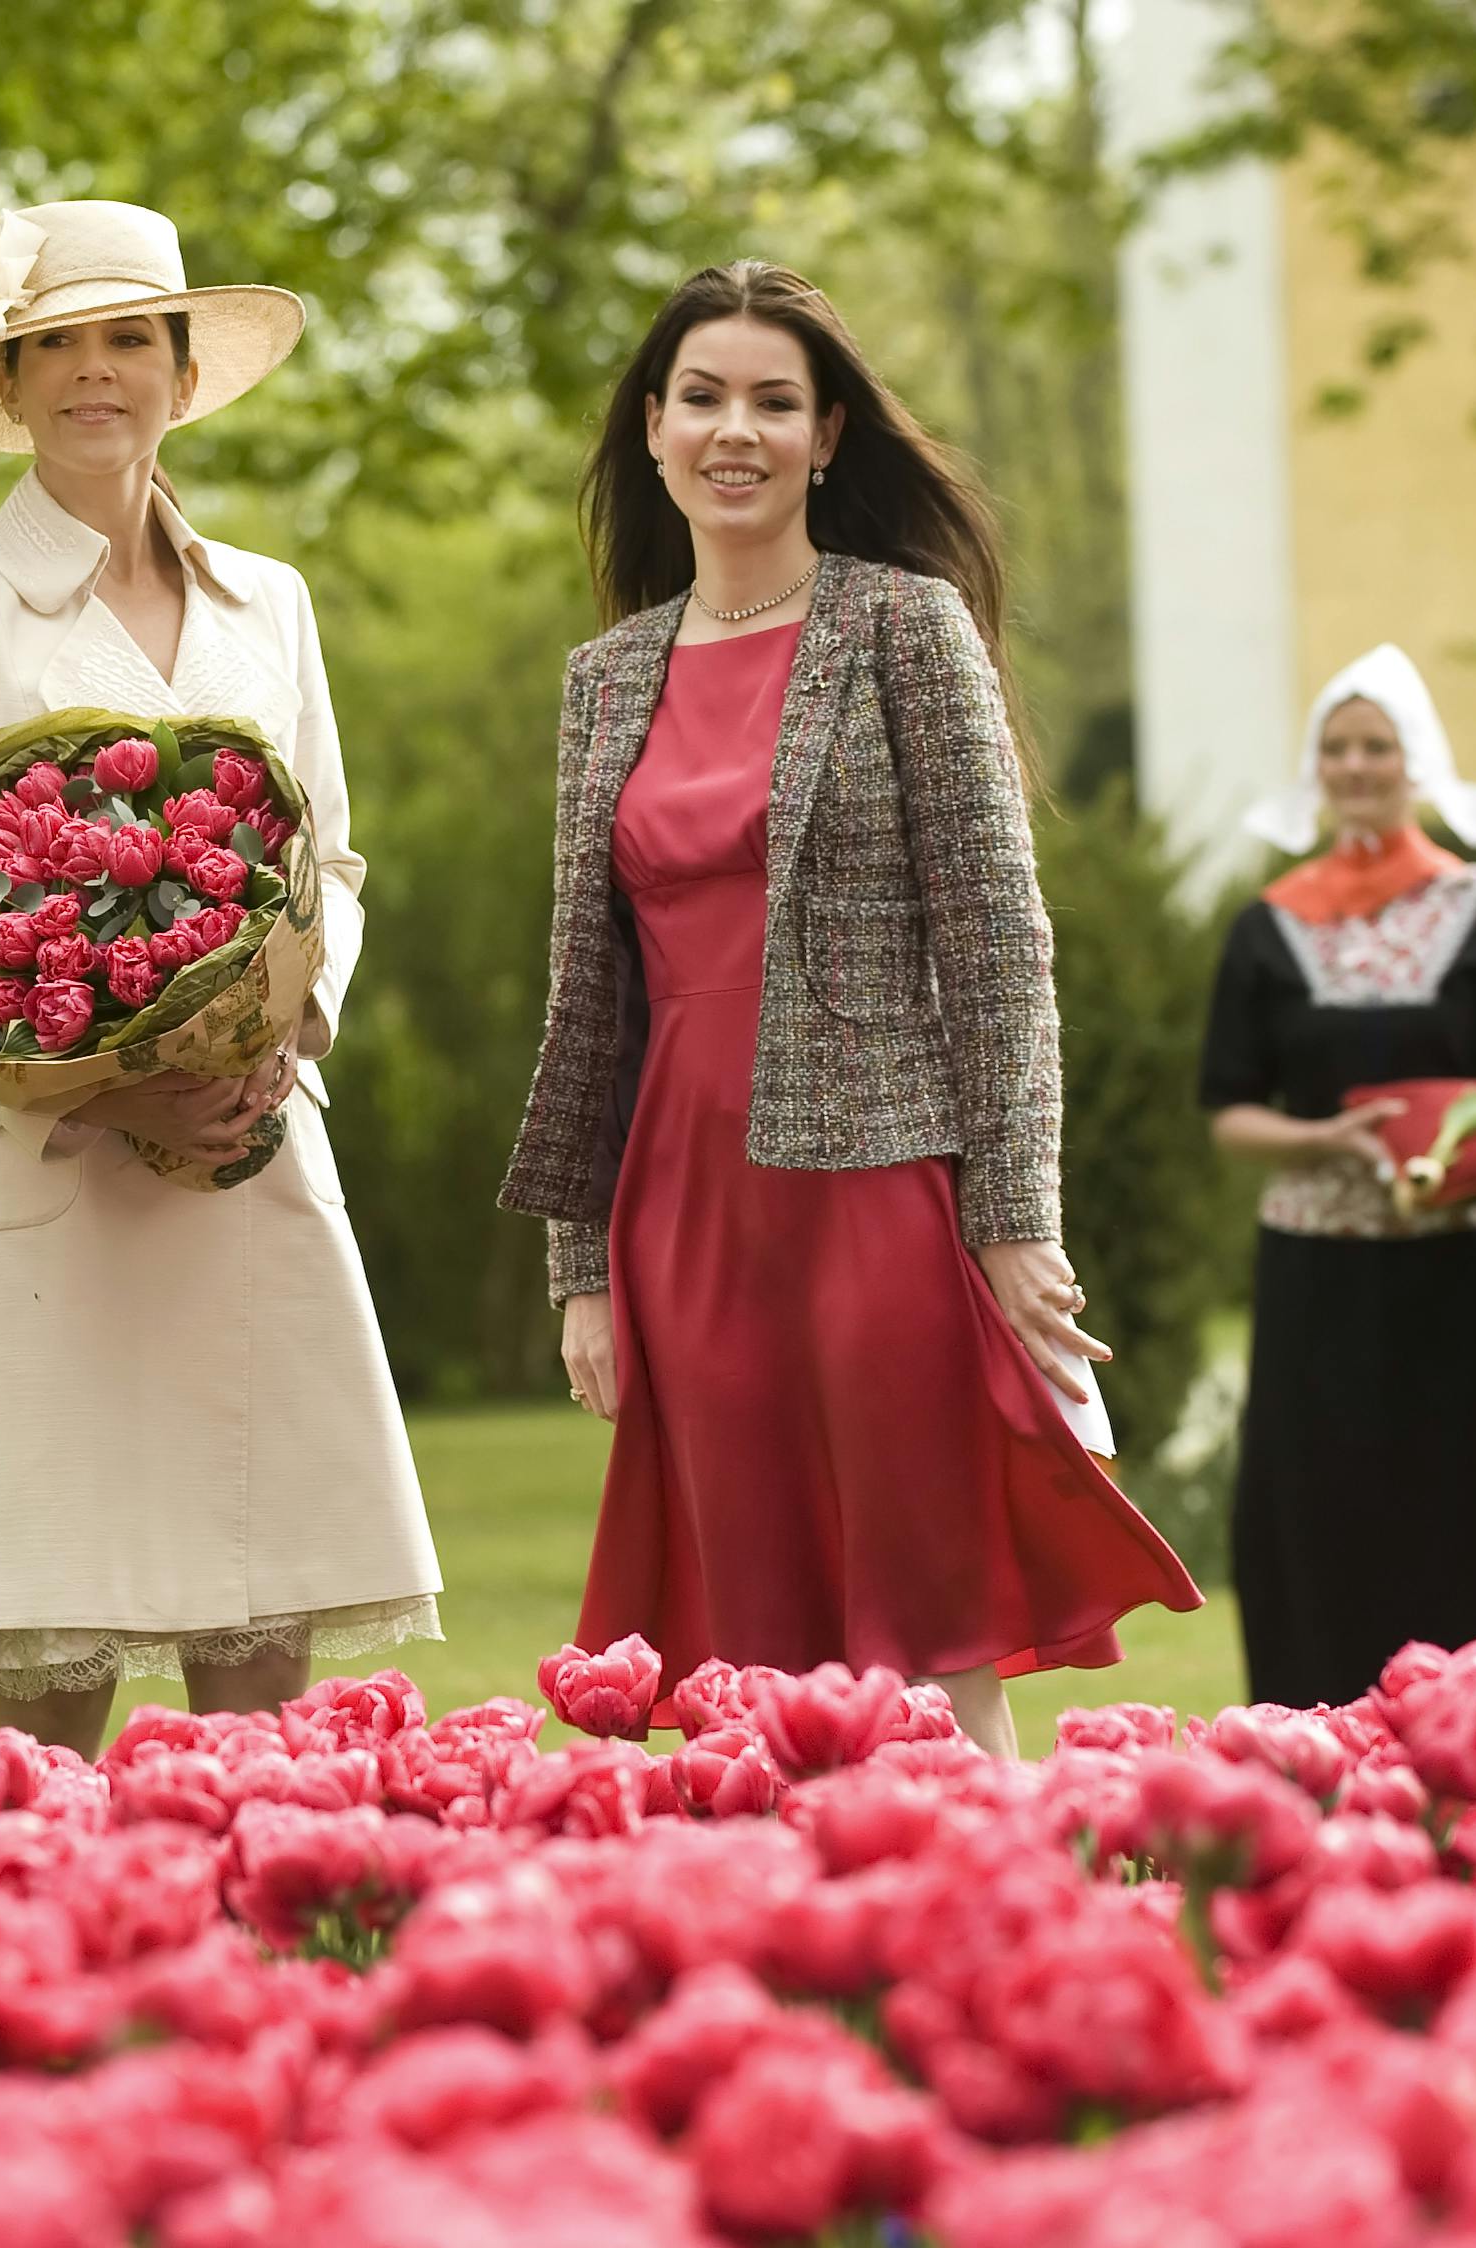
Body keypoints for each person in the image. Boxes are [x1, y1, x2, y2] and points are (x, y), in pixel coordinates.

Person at [498, 261, 1199, 1761]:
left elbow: (1001, 945)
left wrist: (1014, 1214)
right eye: (702, 398)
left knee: (924, 1610)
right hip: (674, 1205)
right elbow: (588, 996)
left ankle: (986, 1931)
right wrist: (580, 1267)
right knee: (739, 1641)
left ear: (826, 438)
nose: (732, 429)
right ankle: (778, 1960)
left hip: (875, 1179)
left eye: (772, 400)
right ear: (651, 428)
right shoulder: (603, 678)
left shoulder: (904, 626)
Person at [0, 201, 442, 1754]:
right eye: (58, 347)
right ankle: (24, 1979)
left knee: (263, 1647)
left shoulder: (274, 602)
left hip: (246, 1157)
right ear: (14, 380)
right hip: (49, 1169)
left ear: (182, 373)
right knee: (55, 1673)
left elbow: (336, 865)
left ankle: (264, 1974)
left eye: (129, 342)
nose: (95, 375)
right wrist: (118, 1071)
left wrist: (279, 1025)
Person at [1200, 643, 1476, 1710]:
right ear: (1314, 768)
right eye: (1335, 747)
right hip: (1315, 1272)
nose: (1355, 765)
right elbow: (1231, 1115)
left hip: (1460, 1273)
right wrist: (1325, 1143)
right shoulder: (1266, 928)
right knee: (1320, 1510)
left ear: (1416, 759)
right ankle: (1320, 1733)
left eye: (1377, 744)